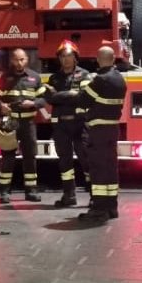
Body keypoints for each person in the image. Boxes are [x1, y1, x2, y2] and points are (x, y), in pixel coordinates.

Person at [76, 45, 127, 224]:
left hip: (98, 130)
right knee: (110, 168)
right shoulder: (120, 79)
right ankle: (111, 207)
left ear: (98, 60)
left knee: (98, 169)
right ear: (113, 59)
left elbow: (83, 100)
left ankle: (98, 209)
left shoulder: (100, 80)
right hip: (113, 129)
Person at [0, 47, 48, 204]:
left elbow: (44, 98)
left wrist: (34, 103)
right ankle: (4, 192)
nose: (19, 63)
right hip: (10, 123)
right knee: (8, 157)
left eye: (22, 59)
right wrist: (1, 106)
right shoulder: (5, 77)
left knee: (30, 157)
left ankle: (31, 191)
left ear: (27, 60)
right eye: (16, 60)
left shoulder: (34, 77)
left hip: (28, 123)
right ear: (12, 60)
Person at [43, 40, 92, 208]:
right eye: (63, 56)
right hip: (61, 126)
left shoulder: (85, 75)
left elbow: (83, 96)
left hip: (80, 125)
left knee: (86, 160)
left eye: (69, 55)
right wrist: (70, 94)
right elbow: (49, 98)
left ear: (75, 57)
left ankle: (94, 195)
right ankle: (69, 195)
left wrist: (60, 96)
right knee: (65, 162)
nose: (66, 59)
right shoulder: (54, 78)